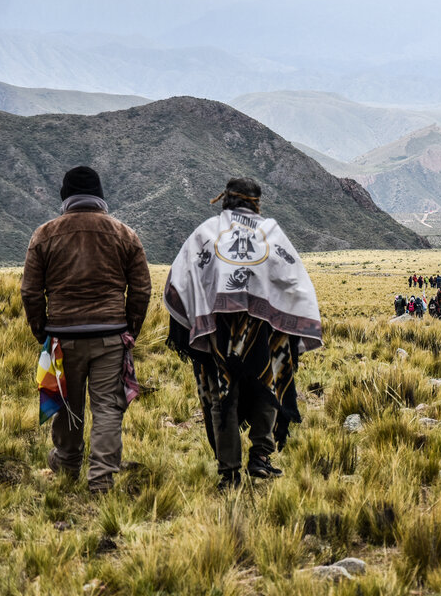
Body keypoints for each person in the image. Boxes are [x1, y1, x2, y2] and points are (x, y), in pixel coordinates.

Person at [164, 178, 322, 489]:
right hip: (266, 329)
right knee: (268, 385)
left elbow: (180, 280)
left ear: (225, 200)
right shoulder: (271, 233)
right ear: (256, 202)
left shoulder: (207, 233)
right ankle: (260, 457)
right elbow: (294, 281)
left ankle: (229, 473)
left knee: (223, 394)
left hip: (216, 329)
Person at [21, 166, 151, 494]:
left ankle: (66, 464)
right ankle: (102, 480)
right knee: (107, 406)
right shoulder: (125, 234)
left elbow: (30, 291)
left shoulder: (44, 234)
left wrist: (42, 331)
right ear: (100, 197)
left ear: (66, 197)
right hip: (110, 336)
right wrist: (130, 330)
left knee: (66, 402)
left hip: (62, 338)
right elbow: (141, 289)